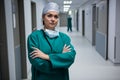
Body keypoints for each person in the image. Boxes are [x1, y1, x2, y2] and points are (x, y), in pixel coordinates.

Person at [27, 2, 76, 80]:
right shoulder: (34, 37)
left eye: (56, 16)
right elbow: (38, 63)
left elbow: (70, 57)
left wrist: (47, 56)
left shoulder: (64, 38)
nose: (53, 19)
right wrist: (61, 59)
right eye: (49, 15)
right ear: (43, 17)